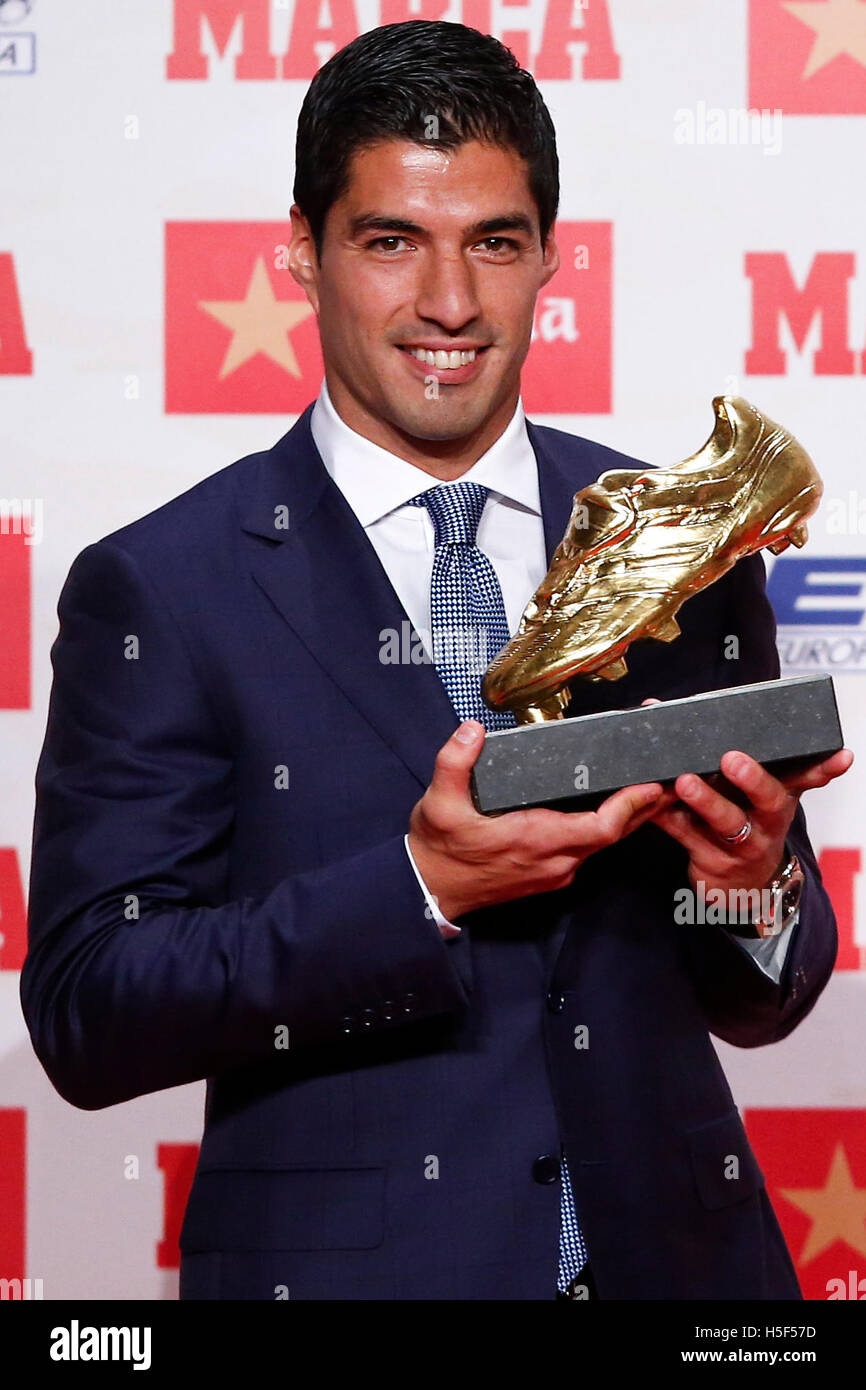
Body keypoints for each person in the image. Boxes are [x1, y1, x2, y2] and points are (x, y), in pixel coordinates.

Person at [21, 20, 852, 1301]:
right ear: (301, 253)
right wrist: (419, 887)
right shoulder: (167, 585)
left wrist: (747, 882)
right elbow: (90, 1008)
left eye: (494, 244)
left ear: (548, 261)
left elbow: (756, 994)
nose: (450, 303)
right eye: (390, 240)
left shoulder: (675, 542)